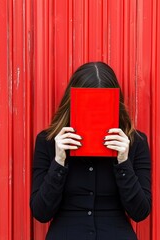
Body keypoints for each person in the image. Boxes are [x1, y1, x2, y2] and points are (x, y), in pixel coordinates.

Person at [30, 62, 151, 240]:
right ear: (73, 103)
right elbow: (41, 212)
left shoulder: (135, 142)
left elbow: (140, 212)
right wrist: (59, 161)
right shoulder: (48, 141)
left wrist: (123, 161)